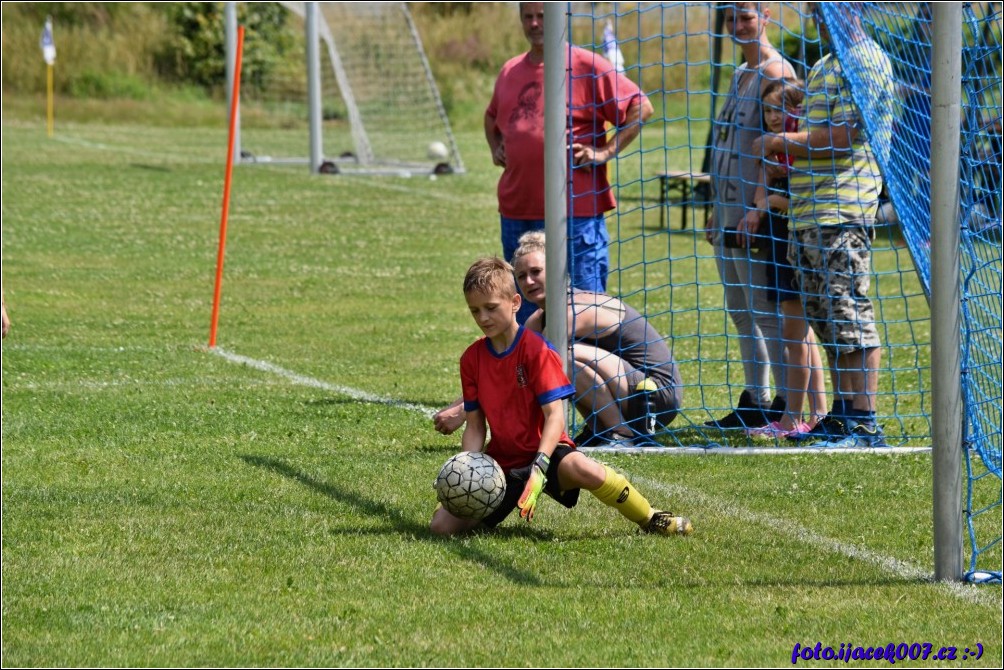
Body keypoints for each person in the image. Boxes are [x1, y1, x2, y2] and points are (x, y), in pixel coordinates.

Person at [428, 256, 692, 537]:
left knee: (583, 468)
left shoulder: (537, 350)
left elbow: (555, 416)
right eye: (475, 311)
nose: (483, 318)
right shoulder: (472, 359)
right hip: (503, 463)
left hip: (548, 453)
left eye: (491, 308)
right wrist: (465, 470)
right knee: (442, 528)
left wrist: (540, 465)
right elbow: (476, 425)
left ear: (515, 303)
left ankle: (650, 518)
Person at [750, 3, 895, 447]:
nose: (816, 19)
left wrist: (777, 140)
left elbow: (842, 136)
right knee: (826, 318)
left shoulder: (867, 61)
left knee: (849, 313)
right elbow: (821, 121)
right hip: (808, 215)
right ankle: (842, 412)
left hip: (841, 212)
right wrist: (798, 101)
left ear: (850, 9)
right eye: (814, 12)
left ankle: (865, 419)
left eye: (823, 10)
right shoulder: (826, 64)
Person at [485, 2, 654, 323]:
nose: (535, 24)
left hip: (575, 215)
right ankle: (532, 374)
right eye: (528, 17)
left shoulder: (586, 64)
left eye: (542, 16)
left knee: (584, 313)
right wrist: (496, 146)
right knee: (525, 316)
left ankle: (581, 375)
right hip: (517, 213)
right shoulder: (510, 70)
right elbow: (491, 116)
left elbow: (640, 107)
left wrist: (604, 151)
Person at [434, 231, 684, 448]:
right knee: (555, 360)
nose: (529, 281)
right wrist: (463, 404)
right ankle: (601, 430)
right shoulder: (539, 318)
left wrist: (463, 411)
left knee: (560, 358)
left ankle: (621, 433)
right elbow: (514, 359)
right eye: (521, 276)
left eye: (536, 272)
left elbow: (533, 364)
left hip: (655, 395)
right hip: (626, 389)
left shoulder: (574, 310)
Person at [704, 2, 795, 430]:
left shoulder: (778, 73)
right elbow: (726, 145)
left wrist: (759, 208)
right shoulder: (742, 72)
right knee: (740, 311)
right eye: (731, 19)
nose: (738, 26)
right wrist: (712, 207)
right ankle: (754, 400)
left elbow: (782, 149)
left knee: (764, 311)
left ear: (767, 17)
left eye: (746, 17)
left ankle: (784, 404)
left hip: (753, 216)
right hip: (725, 212)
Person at [740, 78, 828, 439]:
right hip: (779, 243)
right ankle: (816, 413)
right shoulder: (775, 153)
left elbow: (804, 203)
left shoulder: (803, 152)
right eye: (768, 111)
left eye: (781, 110)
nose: (773, 118)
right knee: (800, 335)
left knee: (796, 334)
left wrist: (771, 203)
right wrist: (760, 206)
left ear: (798, 111)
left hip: (799, 243)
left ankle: (795, 418)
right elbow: (765, 191)